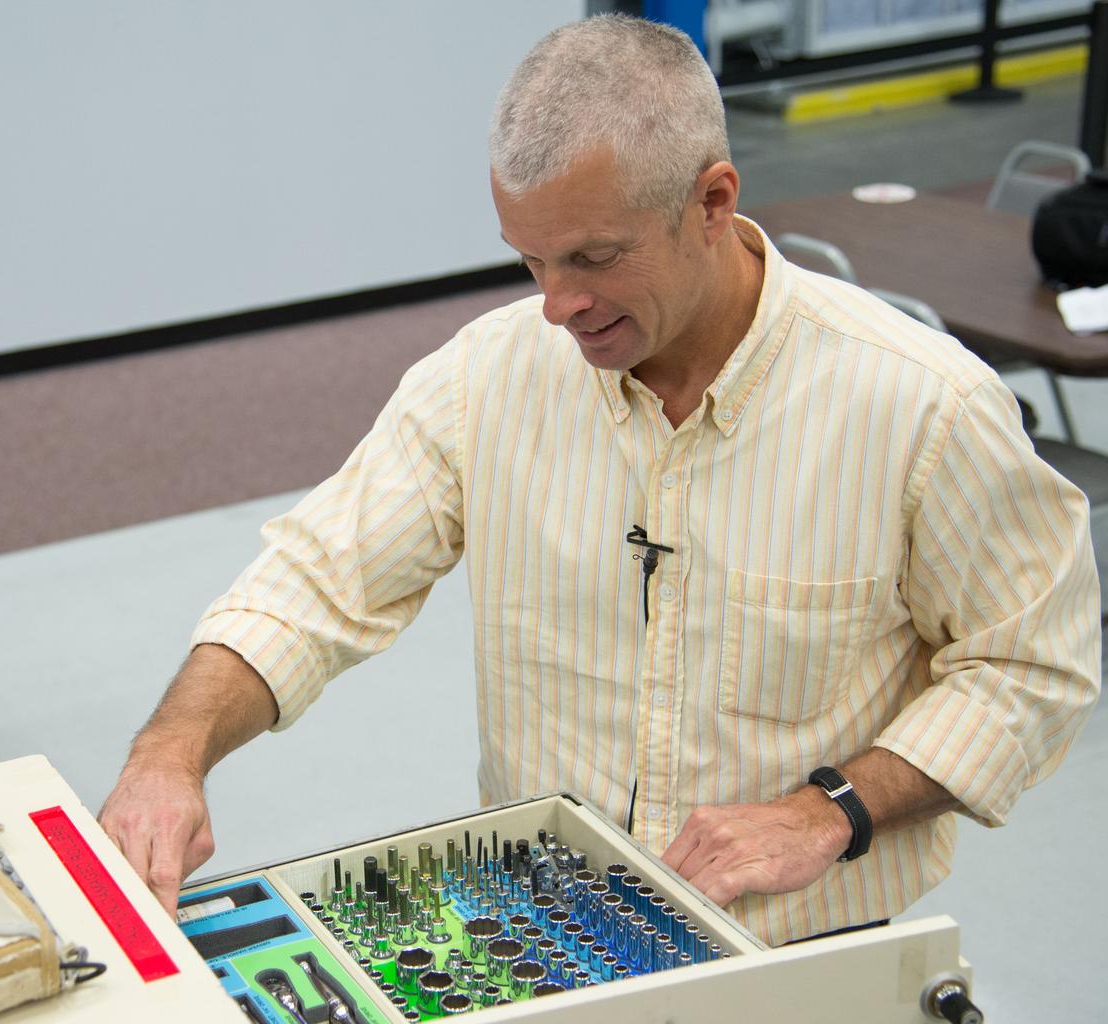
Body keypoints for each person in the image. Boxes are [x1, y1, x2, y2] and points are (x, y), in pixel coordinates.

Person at [99, 15, 1101, 944]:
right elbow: (315, 582)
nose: (556, 304)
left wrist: (829, 810)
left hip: (797, 952)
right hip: (547, 937)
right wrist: (169, 753)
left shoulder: (922, 406)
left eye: (592, 256)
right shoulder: (483, 379)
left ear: (712, 202)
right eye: (531, 261)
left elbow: (1032, 663)